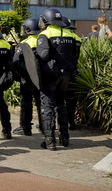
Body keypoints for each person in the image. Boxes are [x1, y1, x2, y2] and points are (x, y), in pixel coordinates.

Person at [36, 8, 82, 150]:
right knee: (61, 105)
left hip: (50, 76)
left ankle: (50, 142)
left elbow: (43, 55)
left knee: (48, 107)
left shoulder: (44, 34)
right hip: (66, 76)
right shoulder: (72, 35)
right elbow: (75, 56)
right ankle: (65, 138)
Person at [12, 18, 43, 136]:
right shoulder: (42, 41)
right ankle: (43, 126)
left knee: (26, 102)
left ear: (28, 30)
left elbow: (15, 61)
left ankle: (25, 128)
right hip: (41, 78)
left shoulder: (24, 44)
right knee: (41, 103)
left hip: (27, 78)